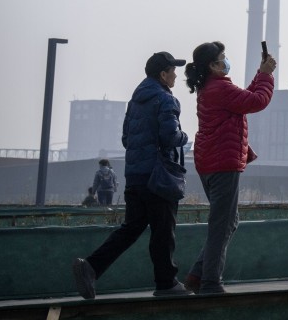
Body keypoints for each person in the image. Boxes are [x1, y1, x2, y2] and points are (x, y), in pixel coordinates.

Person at [72, 51, 191, 299]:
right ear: (163, 74)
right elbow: (170, 137)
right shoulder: (166, 100)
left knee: (131, 228)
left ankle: (91, 267)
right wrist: (185, 138)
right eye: (172, 71)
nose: (176, 75)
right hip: (159, 177)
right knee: (163, 230)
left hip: (135, 176)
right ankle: (166, 283)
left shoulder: (135, 101)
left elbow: (126, 139)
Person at [183, 41, 276, 295]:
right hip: (222, 162)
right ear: (213, 65)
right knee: (221, 225)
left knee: (228, 221)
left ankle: (197, 275)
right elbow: (257, 101)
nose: (226, 61)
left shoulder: (210, 88)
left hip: (211, 161)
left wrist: (261, 73)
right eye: (222, 58)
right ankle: (211, 282)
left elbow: (244, 99)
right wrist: (267, 75)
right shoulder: (220, 88)